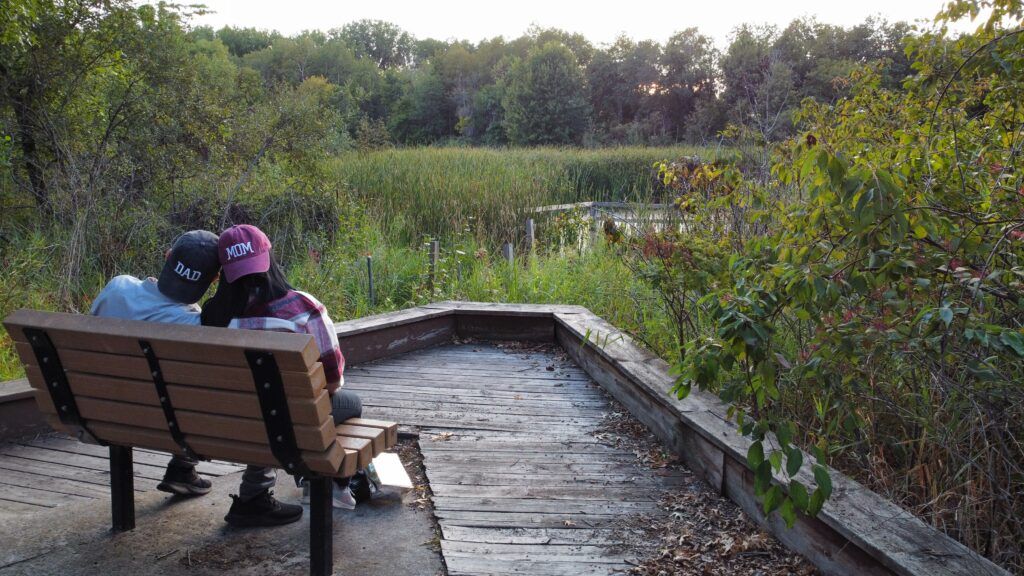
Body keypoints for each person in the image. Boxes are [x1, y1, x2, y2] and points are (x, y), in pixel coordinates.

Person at [202, 224, 367, 527]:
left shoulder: (212, 317)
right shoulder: (302, 309)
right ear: (269, 259)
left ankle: (253, 496)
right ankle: (329, 481)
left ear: (225, 272)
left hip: (230, 423)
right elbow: (332, 380)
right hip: (288, 422)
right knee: (349, 404)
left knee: (261, 409)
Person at [90, 229, 220, 497]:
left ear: (168, 256)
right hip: (169, 422)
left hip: (98, 408)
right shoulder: (192, 324)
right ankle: (182, 467)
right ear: (215, 279)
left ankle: (183, 471)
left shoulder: (117, 287)